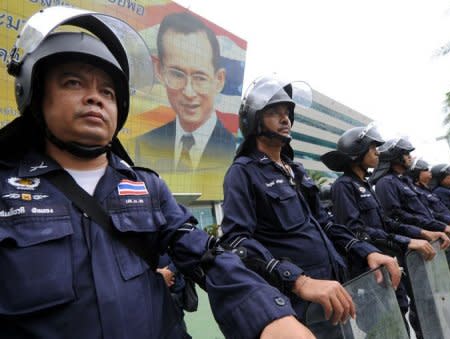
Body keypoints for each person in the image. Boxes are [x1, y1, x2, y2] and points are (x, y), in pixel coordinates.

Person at [0, 7, 316, 338]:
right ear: (35, 94)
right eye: (73, 82)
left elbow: (205, 254)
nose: (95, 97)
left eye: (108, 91)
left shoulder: (147, 187)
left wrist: (268, 315)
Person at [220, 76, 402, 338]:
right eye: (274, 112)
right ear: (255, 119)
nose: (286, 119)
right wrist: (299, 281)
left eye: (287, 113)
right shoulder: (242, 172)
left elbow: (324, 223)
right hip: (297, 305)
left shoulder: (295, 170)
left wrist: (366, 251)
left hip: (335, 294)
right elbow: (237, 241)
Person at [320, 125, 449, 337]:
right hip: (369, 275)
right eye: (373, 149)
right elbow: (356, 232)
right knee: (386, 328)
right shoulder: (344, 186)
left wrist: (420, 233)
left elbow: (386, 222)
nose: (378, 152)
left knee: (400, 318)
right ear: (357, 153)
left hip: (388, 266)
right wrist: (405, 242)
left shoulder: (364, 185)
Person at [135, 11, 236, 177]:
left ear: (219, 80)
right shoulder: (142, 143)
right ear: (160, 71)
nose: (189, 92)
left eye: (200, 77)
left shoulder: (232, 154)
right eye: (176, 74)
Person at [370, 138, 450, 245]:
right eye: (406, 154)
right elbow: (397, 216)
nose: (410, 157)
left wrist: (446, 224)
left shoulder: (405, 181)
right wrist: (427, 231)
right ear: (395, 157)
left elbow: (426, 212)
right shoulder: (385, 182)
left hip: (430, 237)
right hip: (416, 242)